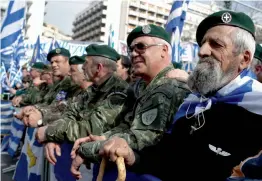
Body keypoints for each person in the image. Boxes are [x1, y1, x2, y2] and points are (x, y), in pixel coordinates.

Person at [95, 11, 262, 181]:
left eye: (216, 44)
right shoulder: (193, 102)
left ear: (244, 58)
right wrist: (132, 156)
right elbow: (167, 159)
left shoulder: (258, 105)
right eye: (203, 43)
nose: (202, 51)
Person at [70, 24, 190, 179]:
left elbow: (142, 140)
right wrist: (104, 137)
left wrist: (88, 149)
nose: (133, 54)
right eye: (131, 49)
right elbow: (128, 125)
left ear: (163, 51)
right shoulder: (141, 86)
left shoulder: (168, 89)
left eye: (141, 47)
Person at [36, 44, 129, 165]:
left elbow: (92, 128)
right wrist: (54, 136)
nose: (83, 67)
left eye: (86, 63)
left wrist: (50, 131)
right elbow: (70, 112)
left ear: (98, 68)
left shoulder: (119, 92)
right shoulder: (94, 88)